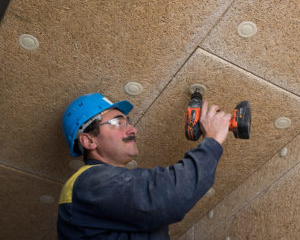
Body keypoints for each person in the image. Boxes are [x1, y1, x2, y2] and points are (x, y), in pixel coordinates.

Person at [58, 93, 231, 239]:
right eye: (118, 123)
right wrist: (212, 141)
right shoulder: (88, 183)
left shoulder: (102, 191)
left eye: (128, 122)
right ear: (88, 140)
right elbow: (166, 197)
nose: (133, 130)